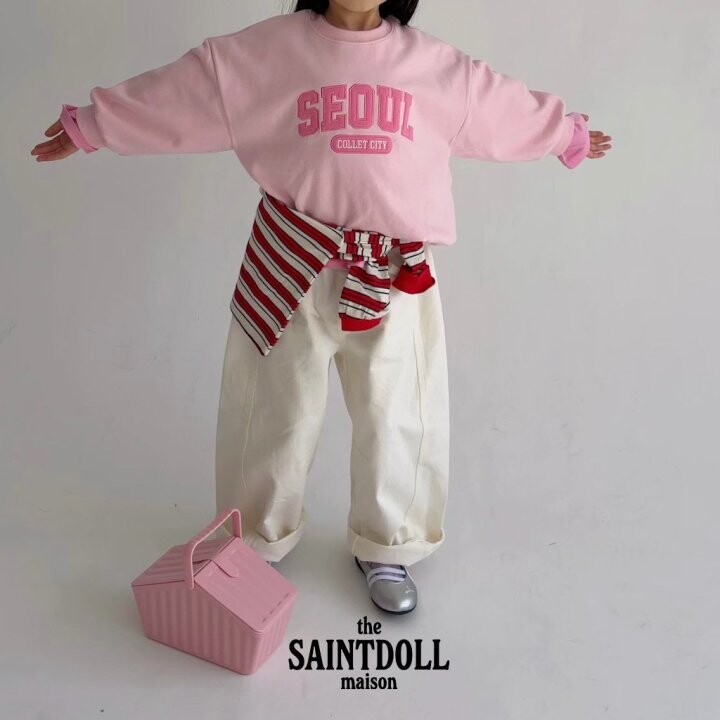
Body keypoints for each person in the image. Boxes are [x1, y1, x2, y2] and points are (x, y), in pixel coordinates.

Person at [30, 0, 612, 615]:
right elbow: (189, 91)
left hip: (394, 274)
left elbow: (499, 109)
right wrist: (96, 124)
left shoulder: (438, 68)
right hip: (289, 263)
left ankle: (390, 543)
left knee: (400, 415)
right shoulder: (267, 53)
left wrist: (562, 133)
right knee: (271, 412)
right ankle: (253, 539)